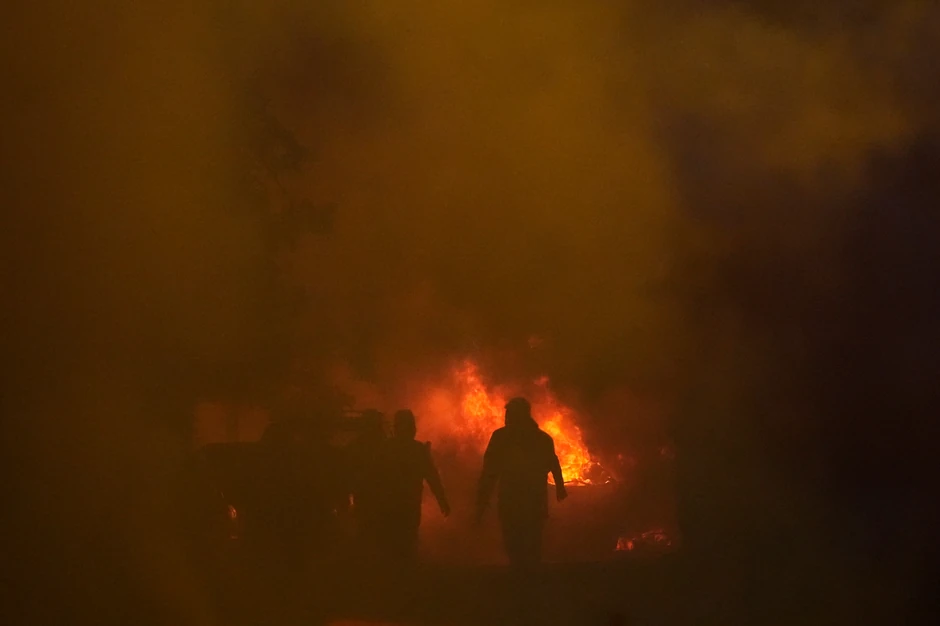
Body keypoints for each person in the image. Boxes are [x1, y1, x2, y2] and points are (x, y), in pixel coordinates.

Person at [475, 397, 567, 567]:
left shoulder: (501, 437)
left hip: (512, 500)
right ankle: (530, 581)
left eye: (509, 413)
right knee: (532, 544)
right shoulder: (542, 438)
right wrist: (560, 488)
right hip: (534, 500)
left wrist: (482, 499)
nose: (506, 417)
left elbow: (489, 471)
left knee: (514, 543)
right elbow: (554, 464)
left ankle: (520, 580)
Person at [382, 409, 450, 561]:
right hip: (408, 504)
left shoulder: (386, 448)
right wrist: (442, 501)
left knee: (392, 542)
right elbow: (432, 477)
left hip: (390, 504)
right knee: (407, 541)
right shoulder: (417, 450)